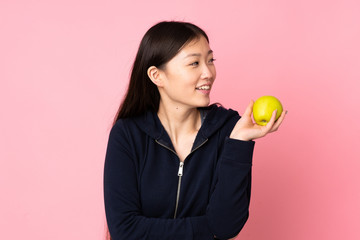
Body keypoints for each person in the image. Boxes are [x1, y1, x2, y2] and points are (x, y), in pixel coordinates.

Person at [103, 21, 286, 240]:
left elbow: (226, 226)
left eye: (210, 60)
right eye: (194, 63)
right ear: (156, 76)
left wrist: (240, 142)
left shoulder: (229, 130)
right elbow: (124, 231)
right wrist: (206, 228)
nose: (208, 73)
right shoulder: (128, 134)